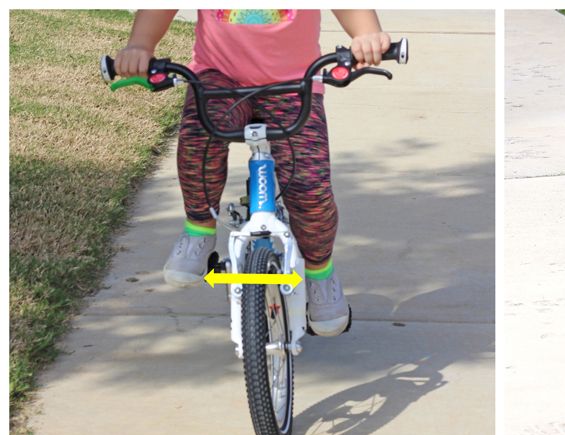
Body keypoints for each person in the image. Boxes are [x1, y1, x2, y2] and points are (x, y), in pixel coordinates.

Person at [114, 9, 392, 335]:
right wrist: (140, 45)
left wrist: (366, 33)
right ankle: (200, 229)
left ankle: (320, 273)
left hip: (294, 82)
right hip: (220, 75)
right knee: (199, 137)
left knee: (309, 186)